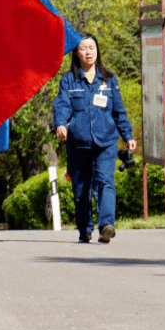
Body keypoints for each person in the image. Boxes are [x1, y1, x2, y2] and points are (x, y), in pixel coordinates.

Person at [52, 34, 136, 244]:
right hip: (78, 143)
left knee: (106, 182)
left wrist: (128, 136)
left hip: (106, 141)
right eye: (83, 48)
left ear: (97, 50)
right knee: (81, 188)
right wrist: (60, 124)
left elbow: (118, 111)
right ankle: (85, 227)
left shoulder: (108, 79)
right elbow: (62, 105)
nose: (88, 52)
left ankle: (106, 225)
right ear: (76, 53)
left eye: (92, 47)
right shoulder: (69, 79)